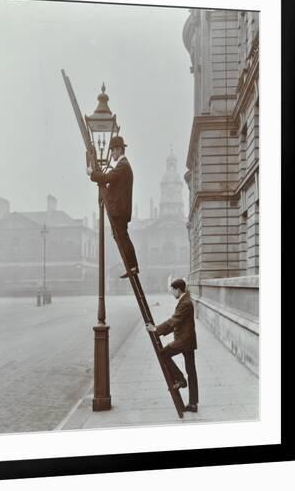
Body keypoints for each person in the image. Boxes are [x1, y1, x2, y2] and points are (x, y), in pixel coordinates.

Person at [86, 135, 138, 278]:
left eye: (113, 151)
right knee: (119, 236)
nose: (112, 154)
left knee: (122, 237)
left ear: (119, 150)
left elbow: (107, 177)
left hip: (119, 210)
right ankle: (131, 266)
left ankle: (132, 266)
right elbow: (113, 182)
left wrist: (92, 174)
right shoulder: (123, 166)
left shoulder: (123, 166)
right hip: (120, 209)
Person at [146, 278, 199, 413]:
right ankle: (193, 404)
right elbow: (177, 322)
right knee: (191, 371)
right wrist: (159, 330)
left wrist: (156, 329)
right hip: (187, 340)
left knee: (163, 354)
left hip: (184, 341)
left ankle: (180, 380)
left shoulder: (185, 303)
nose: (172, 293)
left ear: (178, 290)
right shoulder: (185, 300)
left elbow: (174, 321)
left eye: (172, 290)